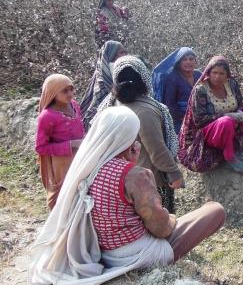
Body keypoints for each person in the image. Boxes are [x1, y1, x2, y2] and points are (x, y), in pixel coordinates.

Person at [28, 106, 225, 285]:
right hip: (138, 255)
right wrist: (172, 218)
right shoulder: (135, 175)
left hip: (103, 252)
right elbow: (161, 229)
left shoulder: (86, 169)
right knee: (214, 210)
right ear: (127, 138)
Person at [98, 55, 183, 213]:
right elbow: (157, 150)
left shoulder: (112, 103)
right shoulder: (146, 110)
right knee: (160, 227)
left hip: (120, 178)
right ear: (144, 76)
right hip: (150, 181)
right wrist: (174, 173)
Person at [179, 55, 243, 173]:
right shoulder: (200, 90)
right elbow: (199, 120)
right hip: (211, 132)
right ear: (208, 73)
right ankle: (229, 156)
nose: (217, 77)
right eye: (214, 73)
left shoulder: (232, 84)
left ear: (227, 75)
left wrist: (239, 112)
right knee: (225, 122)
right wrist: (228, 115)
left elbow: (239, 104)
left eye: (222, 73)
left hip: (234, 126)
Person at [35, 74, 85, 210]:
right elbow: (41, 147)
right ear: (52, 93)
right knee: (62, 200)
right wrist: (72, 144)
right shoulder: (47, 116)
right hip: (62, 165)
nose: (70, 93)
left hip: (81, 158)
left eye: (71, 89)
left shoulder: (74, 105)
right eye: (64, 91)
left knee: (82, 194)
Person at [152, 47, 202, 134]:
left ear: (195, 61)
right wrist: (186, 118)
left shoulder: (199, 75)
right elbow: (169, 104)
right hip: (179, 121)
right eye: (184, 59)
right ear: (179, 62)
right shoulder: (173, 78)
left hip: (200, 116)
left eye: (191, 59)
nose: (188, 62)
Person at [80, 40, 127, 131]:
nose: (124, 56)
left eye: (125, 52)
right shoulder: (101, 81)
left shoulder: (123, 74)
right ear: (110, 55)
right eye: (121, 53)